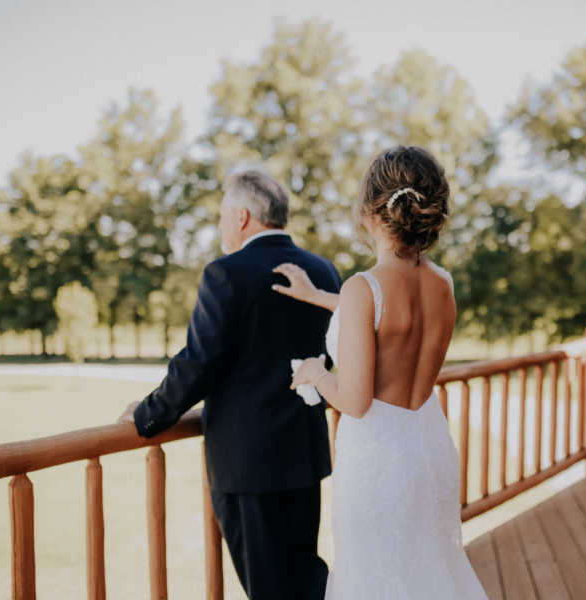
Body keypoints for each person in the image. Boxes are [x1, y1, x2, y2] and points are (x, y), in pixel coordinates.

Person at [274, 146, 488, 598]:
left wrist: (316, 371)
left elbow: (354, 400)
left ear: (372, 210)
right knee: (430, 575)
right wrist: (317, 296)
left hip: (378, 464)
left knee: (375, 581)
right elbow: (392, 323)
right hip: (428, 450)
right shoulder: (441, 283)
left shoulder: (362, 288)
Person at [118, 170, 339, 600]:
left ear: (241, 217)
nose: (220, 226)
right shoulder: (323, 270)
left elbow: (198, 364)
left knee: (269, 589)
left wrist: (147, 414)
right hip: (303, 456)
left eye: (222, 216)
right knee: (305, 580)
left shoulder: (226, 274)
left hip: (249, 465)